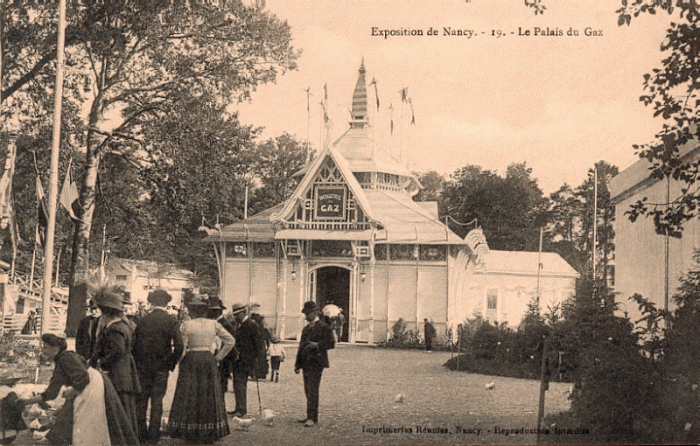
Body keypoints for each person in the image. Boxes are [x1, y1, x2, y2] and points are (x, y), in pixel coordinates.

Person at [18, 333, 139, 446]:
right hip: (89, 385)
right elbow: (51, 393)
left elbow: (83, 377)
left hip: (93, 385)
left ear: (56, 348)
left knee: (88, 419)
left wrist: (73, 390)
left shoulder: (66, 358)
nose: (43, 351)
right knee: (77, 414)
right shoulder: (62, 360)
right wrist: (28, 401)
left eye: (46, 348)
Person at [167, 296, 234, 443]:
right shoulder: (214, 324)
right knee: (208, 393)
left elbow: (183, 347)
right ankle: (209, 430)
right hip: (208, 360)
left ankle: (190, 430)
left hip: (191, 359)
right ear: (205, 311)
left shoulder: (186, 325)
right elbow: (230, 340)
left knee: (190, 393)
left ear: (192, 311)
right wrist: (217, 357)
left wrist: (180, 361)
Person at [132, 289, 184, 444]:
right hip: (161, 367)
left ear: (151, 302)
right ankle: (153, 436)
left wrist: (138, 363)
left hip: (143, 367)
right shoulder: (171, 321)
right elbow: (180, 347)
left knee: (141, 401)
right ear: (167, 303)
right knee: (157, 401)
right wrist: (170, 363)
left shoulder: (142, 320)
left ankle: (141, 434)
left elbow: (134, 345)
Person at [90, 287, 142, 435]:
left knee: (118, 405)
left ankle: (119, 438)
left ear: (107, 312)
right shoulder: (125, 325)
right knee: (124, 407)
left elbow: (117, 350)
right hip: (125, 370)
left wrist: (102, 363)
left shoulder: (114, 328)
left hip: (117, 372)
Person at [294, 301, 335, 427]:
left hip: (317, 362)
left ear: (314, 313)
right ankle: (310, 415)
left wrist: (317, 345)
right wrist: (297, 364)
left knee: (313, 389)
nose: (305, 316)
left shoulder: (324, 327)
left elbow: (331, 343)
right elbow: (301, 347)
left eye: (307, 314)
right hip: (306, 363)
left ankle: (312, 417)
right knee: (308, 389)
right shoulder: (306, 329)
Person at [230, 303, 264, 417]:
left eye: (237, 314)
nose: (235, 317)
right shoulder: (239, 324)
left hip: (245, 360)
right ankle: (238, 407)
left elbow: (258, 344)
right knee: (237, 384)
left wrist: (256, 360)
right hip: (238, 360)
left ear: (242, 313)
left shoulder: (251, 324)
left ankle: (242, 410)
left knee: (240, 384)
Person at [207, 295, 237, 397]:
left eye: (212, 310)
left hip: (224, 359)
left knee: (221, 385)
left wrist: (219, 356)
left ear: (218, 312)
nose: (209, 313)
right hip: (220, 358)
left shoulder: (224, 324)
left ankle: (221, 409)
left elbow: (230, 342)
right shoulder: (216, 323)